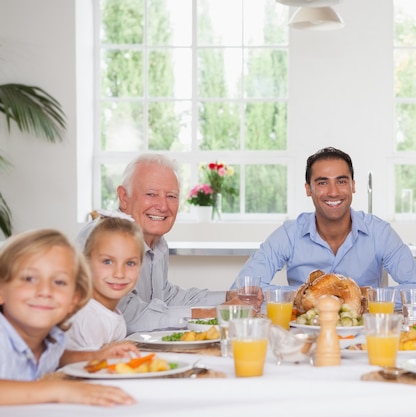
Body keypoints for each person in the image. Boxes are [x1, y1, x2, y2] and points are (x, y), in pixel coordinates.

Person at [77, 154, 261, 334]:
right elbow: (131, 317)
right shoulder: (103, 237)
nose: (163, 206)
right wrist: (216, 313)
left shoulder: (157, 243)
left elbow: (166, 296)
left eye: (171, 196)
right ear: (124, 197)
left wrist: (227, 297)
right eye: (151, 194)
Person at [234, 147, 416, 301]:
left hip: (365, 335)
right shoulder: (290, 233)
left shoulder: (379, 232)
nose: (333, 192)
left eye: (341, 181)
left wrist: (359, 296)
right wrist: (309, 295)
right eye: (322, 182)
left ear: (353, 185)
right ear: (308, 189)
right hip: (304, 333)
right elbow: (240, 288)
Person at [0, 229, 136, 406]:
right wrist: (61, 389)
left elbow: (57, 356)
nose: (45, 291)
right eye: (29, 278)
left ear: (74, 299)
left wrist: (96, 356)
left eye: (59, 282)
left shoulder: (52, 341)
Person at [66, 216, 144, 350]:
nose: (119, 273)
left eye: (130, 263)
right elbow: (90, 368)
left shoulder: (112, 314)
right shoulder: (87, 317)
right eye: (107, 261)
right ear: (86, 262)